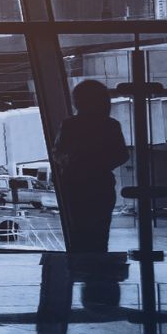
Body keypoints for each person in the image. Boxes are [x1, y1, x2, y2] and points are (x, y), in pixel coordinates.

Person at [54, 79, 128, 255]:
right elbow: (122, 155)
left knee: (78, 233)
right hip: (100, 184)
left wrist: (72, 161)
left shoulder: (69, 125)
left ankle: (82, 269)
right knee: (100, 236)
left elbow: (58, 153)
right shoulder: (110, 125)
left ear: (77, 101)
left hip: (74, 184)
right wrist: (100, 164)